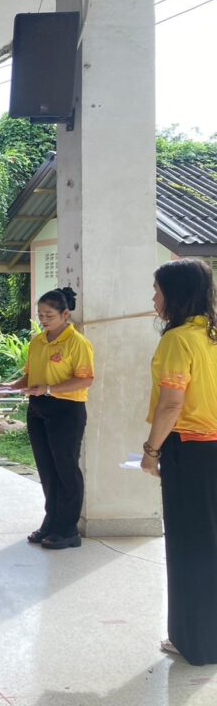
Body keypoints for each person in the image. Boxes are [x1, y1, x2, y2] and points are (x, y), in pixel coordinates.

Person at [140, 258, 217, 666]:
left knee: (189, 546)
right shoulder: (212, 334)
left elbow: (172, 404)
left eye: (157, 291)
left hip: (190, 450)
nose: (154, 299)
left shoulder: (178, 339)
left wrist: (151, 451)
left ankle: (195, 642)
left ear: (175, 294)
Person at [1, 287, 95, 550]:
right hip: (38, 409)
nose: (43, 320)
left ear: (65, 315)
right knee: (46, 468)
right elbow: (31, 376)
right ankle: (51, 522)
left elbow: (86, 379)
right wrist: (13, 386)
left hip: (67, 410)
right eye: (40, 315)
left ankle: (68, 529)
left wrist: (50, 389)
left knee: (66, 469)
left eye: (49, 315)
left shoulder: (78, 343)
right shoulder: (37, 342)